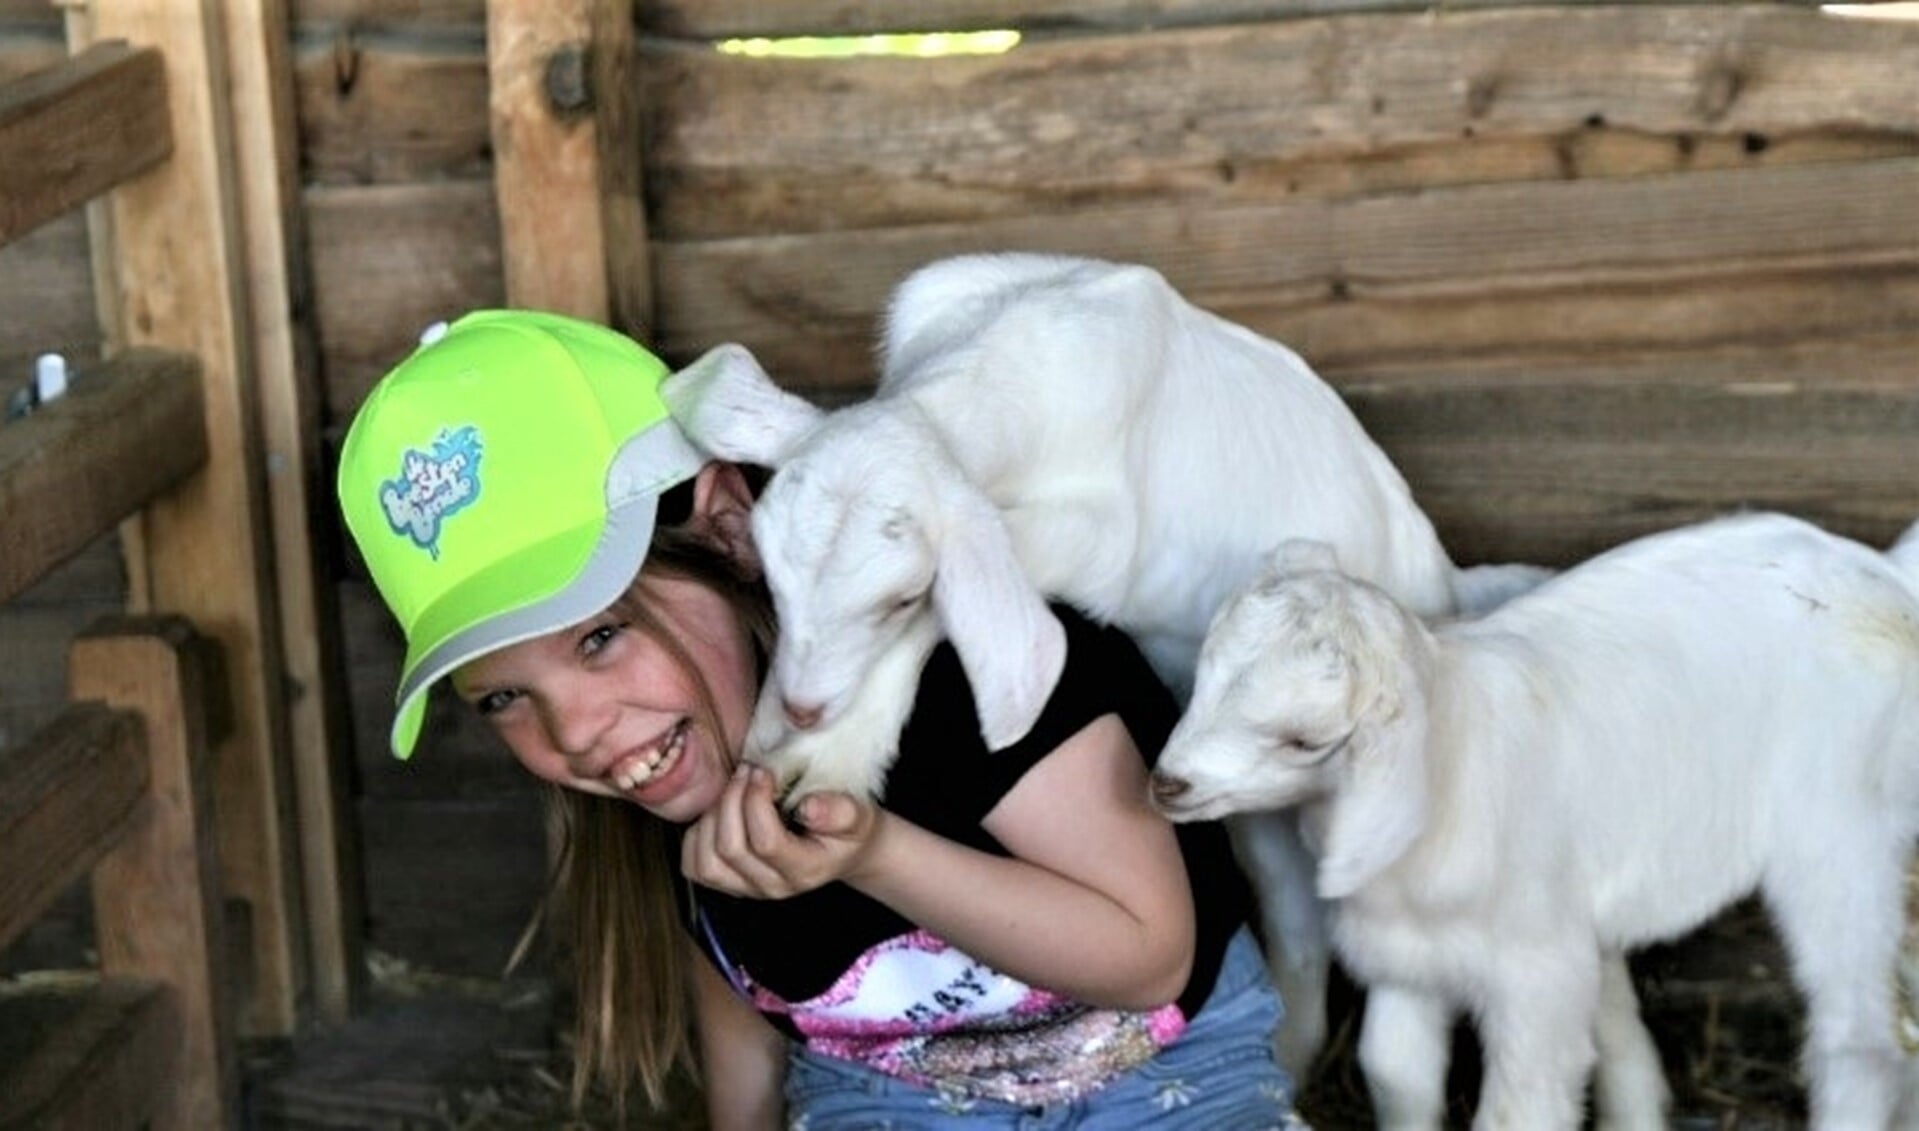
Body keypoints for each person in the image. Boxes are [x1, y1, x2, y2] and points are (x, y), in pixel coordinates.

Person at [336, 309, 1303, 1129]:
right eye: (505, 697)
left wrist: (875, 851)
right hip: (891, 1098)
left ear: (725, 526)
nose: (578, 728)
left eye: (600, 638)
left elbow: (1146, 955)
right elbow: (749, 1002)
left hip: (1162, 1080)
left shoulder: (963, 662)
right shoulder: (676, 772)